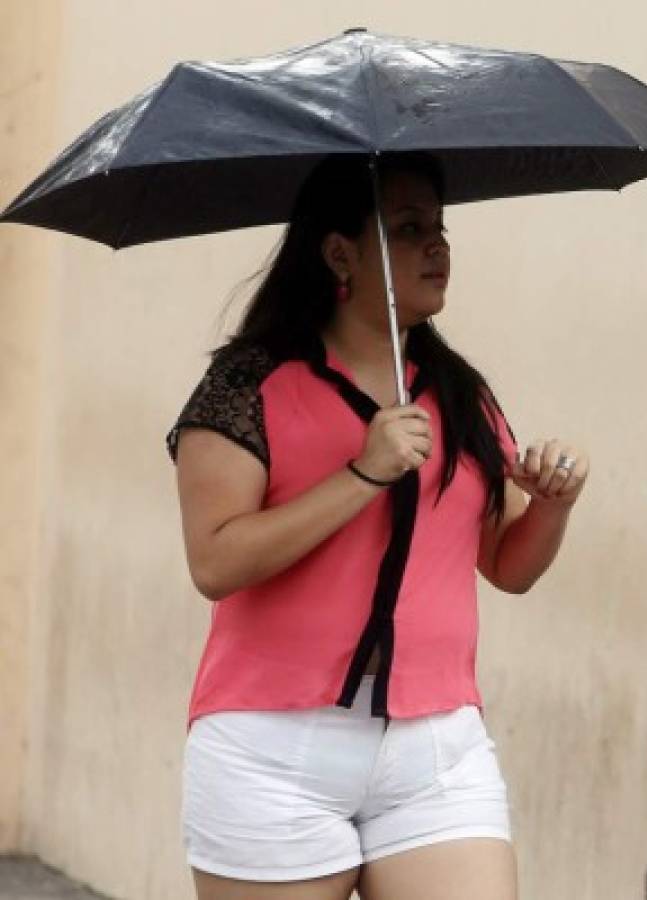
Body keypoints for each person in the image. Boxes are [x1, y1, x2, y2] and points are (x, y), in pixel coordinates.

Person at [168, 153, 588, 900]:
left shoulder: (457, 391)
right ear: (340, 254)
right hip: (273, 745)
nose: (438, 246)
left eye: (440, 226)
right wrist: (362, 474)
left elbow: (508, 565)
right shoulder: (245, 384)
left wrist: (553, 504)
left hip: (437, 745)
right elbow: (215, 561)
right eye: (408, 228)